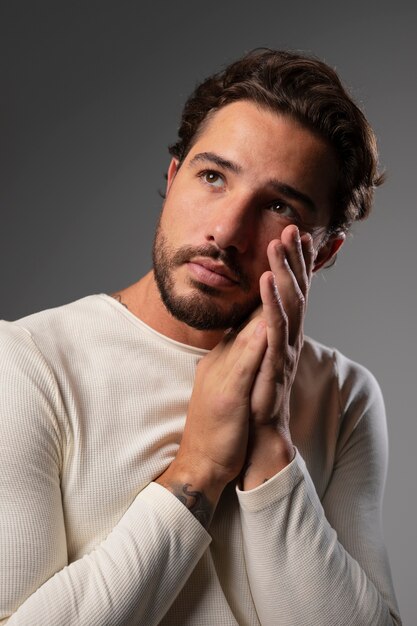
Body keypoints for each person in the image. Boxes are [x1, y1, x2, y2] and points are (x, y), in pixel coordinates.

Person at [0, 49, 401, 625]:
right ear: (173, 176)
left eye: (278, 205)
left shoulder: (345, 396)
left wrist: (270, 441)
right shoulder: (28, 364)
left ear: (322, 253)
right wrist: (197, 469)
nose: (226, 231)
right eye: (212, 176)